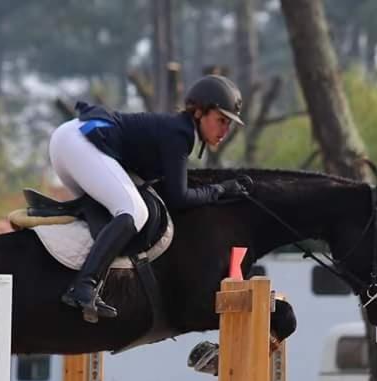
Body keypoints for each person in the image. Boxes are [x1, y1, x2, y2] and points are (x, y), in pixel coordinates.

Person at [49, 74, 251, 323]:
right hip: (79, 143)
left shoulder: (177, 131)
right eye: (221, 120)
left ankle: (90, 279)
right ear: (199, 112)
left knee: (113, 219)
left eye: (228, 124)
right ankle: (83, 287)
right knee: (135, 212)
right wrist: (220, 191)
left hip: (70, 143)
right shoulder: (180, 134)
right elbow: (179, 197)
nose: (225, 130)